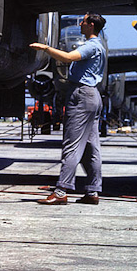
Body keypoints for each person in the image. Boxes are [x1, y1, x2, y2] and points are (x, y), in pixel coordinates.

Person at [30, 13, 107, 205]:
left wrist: (46, 48)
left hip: (81, 95)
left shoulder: (91, 45)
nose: (80, 24)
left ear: (90, 25)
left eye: (83, 21)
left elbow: (68, 57)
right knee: (90, 147)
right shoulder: (101, 46)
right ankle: (92, 191)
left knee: (72, 145)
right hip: (93, 95)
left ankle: (61, 191)